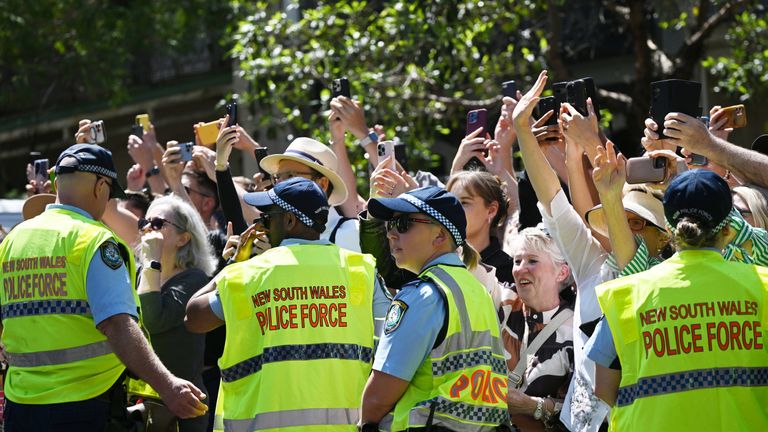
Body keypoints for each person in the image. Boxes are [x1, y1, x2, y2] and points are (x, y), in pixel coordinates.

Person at [0, 144, 207, 430]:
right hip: (84, 406)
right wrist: (168, 386)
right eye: (110, 190)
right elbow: (117, 325)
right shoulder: (94, 240)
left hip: (21, 406)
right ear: (100, 185)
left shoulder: (13, 241)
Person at [185, 177, 387, 430]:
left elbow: (192, 317)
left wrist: (232, 265)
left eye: (267, 219)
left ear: (290, 221)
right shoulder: (361, 270)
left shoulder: (249, 274)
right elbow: (388, 348)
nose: (260, 227)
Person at [586, 169, 768, 431]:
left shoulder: (627, 294)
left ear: (669, 229)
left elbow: (603, 388)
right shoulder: (762, 286)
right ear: (728, 230)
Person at [360, 186, 509, 431]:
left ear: (440, 236)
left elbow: (378, 396)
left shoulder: (420, 295)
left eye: (404, 224)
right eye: (390, 226)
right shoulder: (477, 291)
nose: (391, 234)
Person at [135, 195, 218, 431]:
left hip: (184, 407)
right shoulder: (139, 274)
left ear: (183, 238)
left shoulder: (194, 279)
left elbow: (152, 319)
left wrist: (152, 259)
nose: (149, 229)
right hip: (142, 403)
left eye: (159, 223)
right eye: (144, 223)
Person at [500, 227, 575, 431]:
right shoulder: (501, 302)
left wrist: (534, 406)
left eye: (532, 261)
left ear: (562, 272)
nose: (520, 269)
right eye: (517, 261)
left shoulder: (577, 332)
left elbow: (582, 409)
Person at [259, 137, 361, 252]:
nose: (279, 184)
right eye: (277, 178)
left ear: (323, 184)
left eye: (291, 176)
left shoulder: (351, 233)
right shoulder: (275, 232)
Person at [445, 170, 514, 285]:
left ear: (491, 210)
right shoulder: (437, 262)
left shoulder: (508, 270)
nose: (453, 210)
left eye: (464, 202)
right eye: (450, 202)